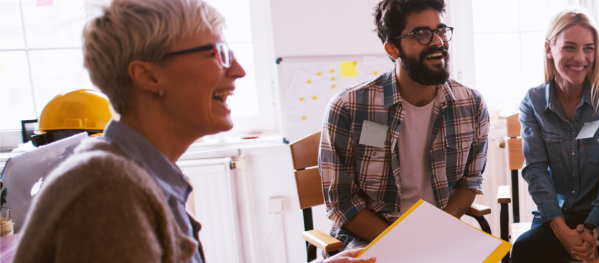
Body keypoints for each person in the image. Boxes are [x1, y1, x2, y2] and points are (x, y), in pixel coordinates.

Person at [10, 1, 374, 262]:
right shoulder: (108, 189)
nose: (240, 71)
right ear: (149, 75)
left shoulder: (132, 173)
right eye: (217, 53)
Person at [319, 0, 489, 252]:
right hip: (372, 237)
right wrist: (404, 245)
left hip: (440, 236)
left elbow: (469, 182)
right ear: (392, 49)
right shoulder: (349, 107)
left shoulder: (471, 104)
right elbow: (342, 201)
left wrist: (441, 229)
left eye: (441, 31)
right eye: (421, 34)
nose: (438, 42)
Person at [510, 8, 599, 263]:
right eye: (570, 47)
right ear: (549, 49)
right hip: (558, 215)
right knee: (520, 251)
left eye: (589, 48)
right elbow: (536, 171)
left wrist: (592, 228)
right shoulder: (532, 102)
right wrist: (562, 230)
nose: (581, 57)